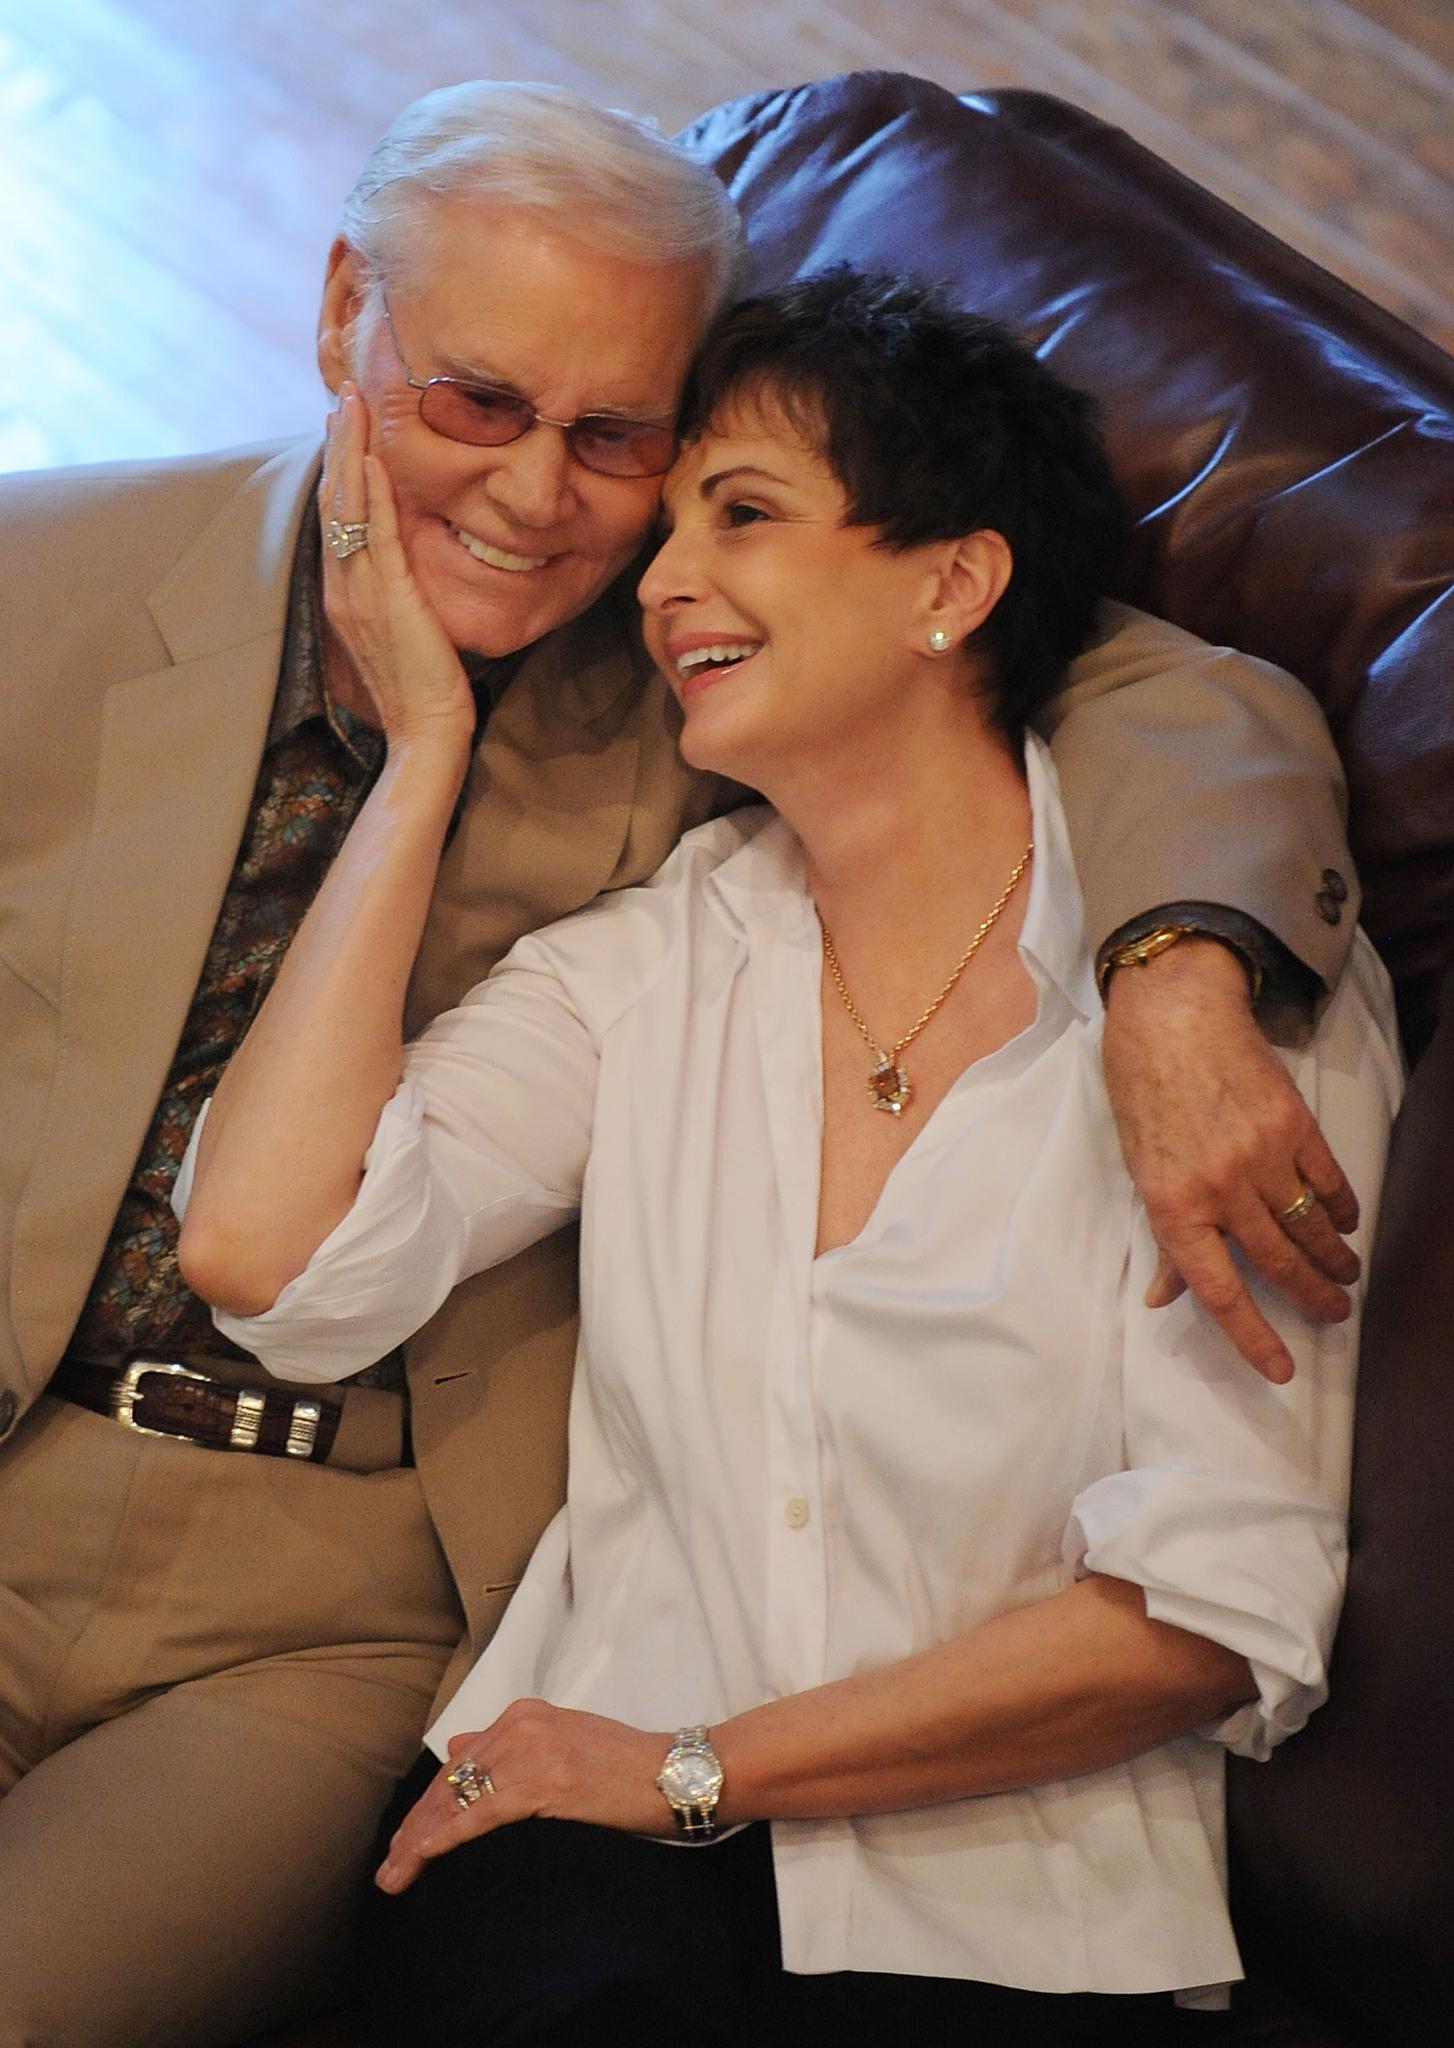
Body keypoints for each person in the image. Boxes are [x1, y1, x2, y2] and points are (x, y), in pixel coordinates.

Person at [0, 79, 1363, 2048]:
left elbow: (1179, 691)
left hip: (334, 1577)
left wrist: (1167, 969)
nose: (541, 500)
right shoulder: (43, 579)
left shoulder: (722, 688)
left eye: (616, 438)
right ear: (337, 317)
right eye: (474, 401)